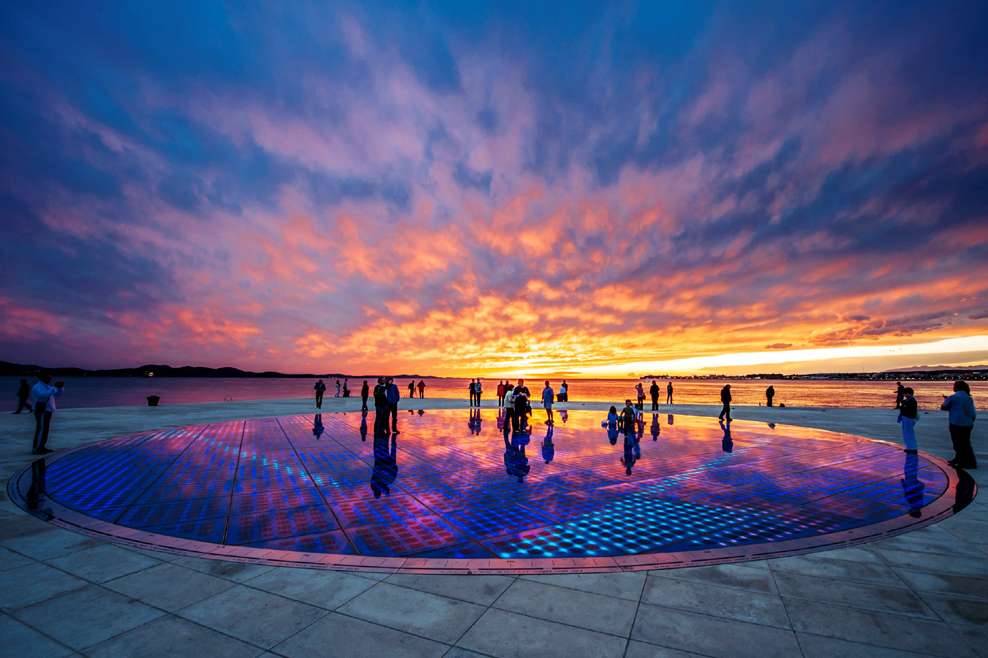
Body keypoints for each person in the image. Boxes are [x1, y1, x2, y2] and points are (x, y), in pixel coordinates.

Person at [941, 380, 977, 469]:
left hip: (956, 423)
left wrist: (946, 400)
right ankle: (962, 460)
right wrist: (972, 420)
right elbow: (971, 412)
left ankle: (966, 462)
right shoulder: (968, 397)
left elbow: (944, 407)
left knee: (958, 443)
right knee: (965, 443)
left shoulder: (953, 397)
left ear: (956, 387)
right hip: (967, 423)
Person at [30, 373, 63, 455]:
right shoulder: (37, 387)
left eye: (50, 376)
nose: (50, 378)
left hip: (47, 410)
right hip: (41, 410)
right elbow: (42, 396)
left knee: (44, 429)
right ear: (42, 377)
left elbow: (58, 394)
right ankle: (37, 448)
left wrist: (60, 388)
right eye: (48, 376)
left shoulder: (47, 386)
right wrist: (54, 387)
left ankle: (41, 447)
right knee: (41, 429)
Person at [898, 387, 919, 454]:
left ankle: (913, 449)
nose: (904, 395)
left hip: (909, 418)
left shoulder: (912, 401)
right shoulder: (908, 400)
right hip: (906, 418)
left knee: (909, 433)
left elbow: (908, 410)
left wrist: (903, 404)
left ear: (909, 393)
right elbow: (903, 409)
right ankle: (909, 447)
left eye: (905, 394)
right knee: (906, 433)